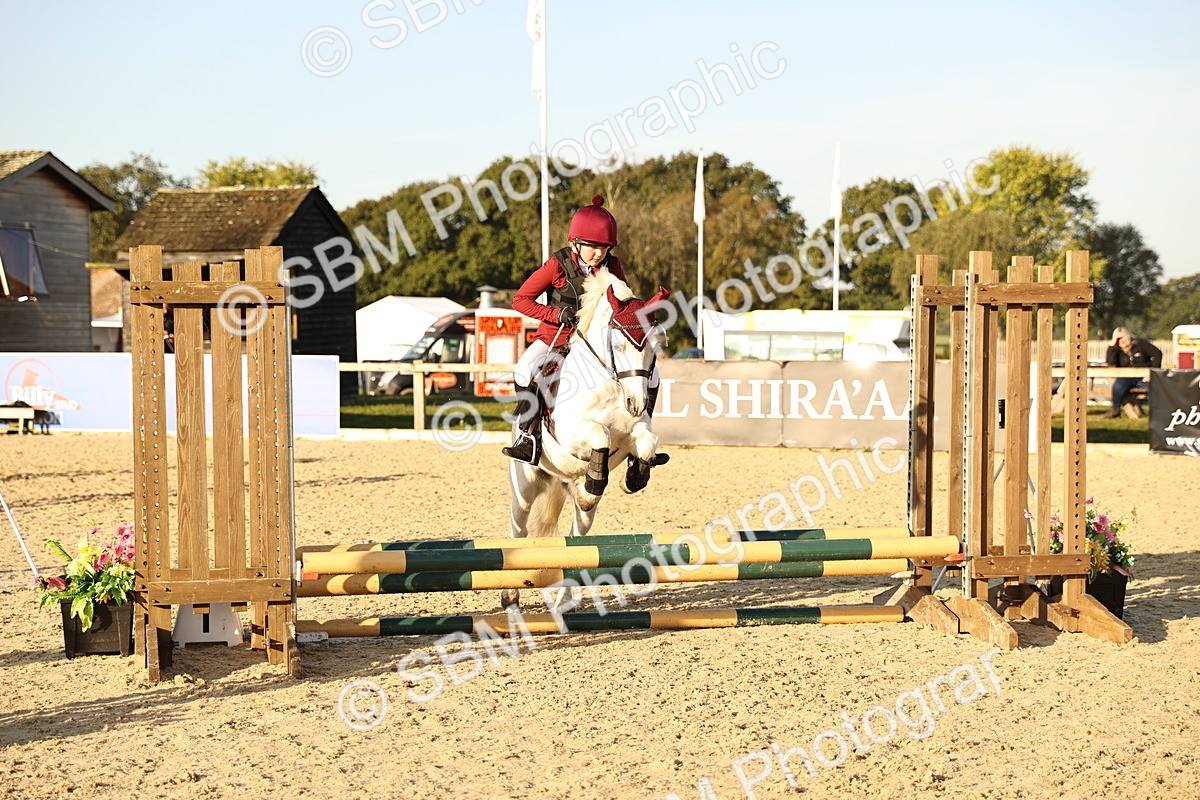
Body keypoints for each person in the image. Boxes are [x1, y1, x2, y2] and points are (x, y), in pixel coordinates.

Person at [503, 195, 664, 484]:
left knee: (652, 374)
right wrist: (555, 314)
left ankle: (639, 440)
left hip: (596, 341)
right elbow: (520, 300)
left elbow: (622, 301)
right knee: (525, 369)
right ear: (576, 243)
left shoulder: (612, 266)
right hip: (558, 335)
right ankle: (529, 436)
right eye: (591, 247)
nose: (597, 254)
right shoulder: (557, 265)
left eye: (603, 248)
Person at [1103, 327, 1161, 418]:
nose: (1121, 341)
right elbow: (1110, 362)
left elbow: (1157, 353)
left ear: (1128, 336)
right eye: (1117, 339)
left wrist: (1152, 372)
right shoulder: (1116, 350)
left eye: (1122, 337)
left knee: (1154, 387)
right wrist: (1112, 344)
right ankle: (1115, 409)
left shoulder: (1140, 344)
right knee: (1117, 386)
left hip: (1144, 377)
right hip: (1126, 378)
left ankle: (1156, 412)